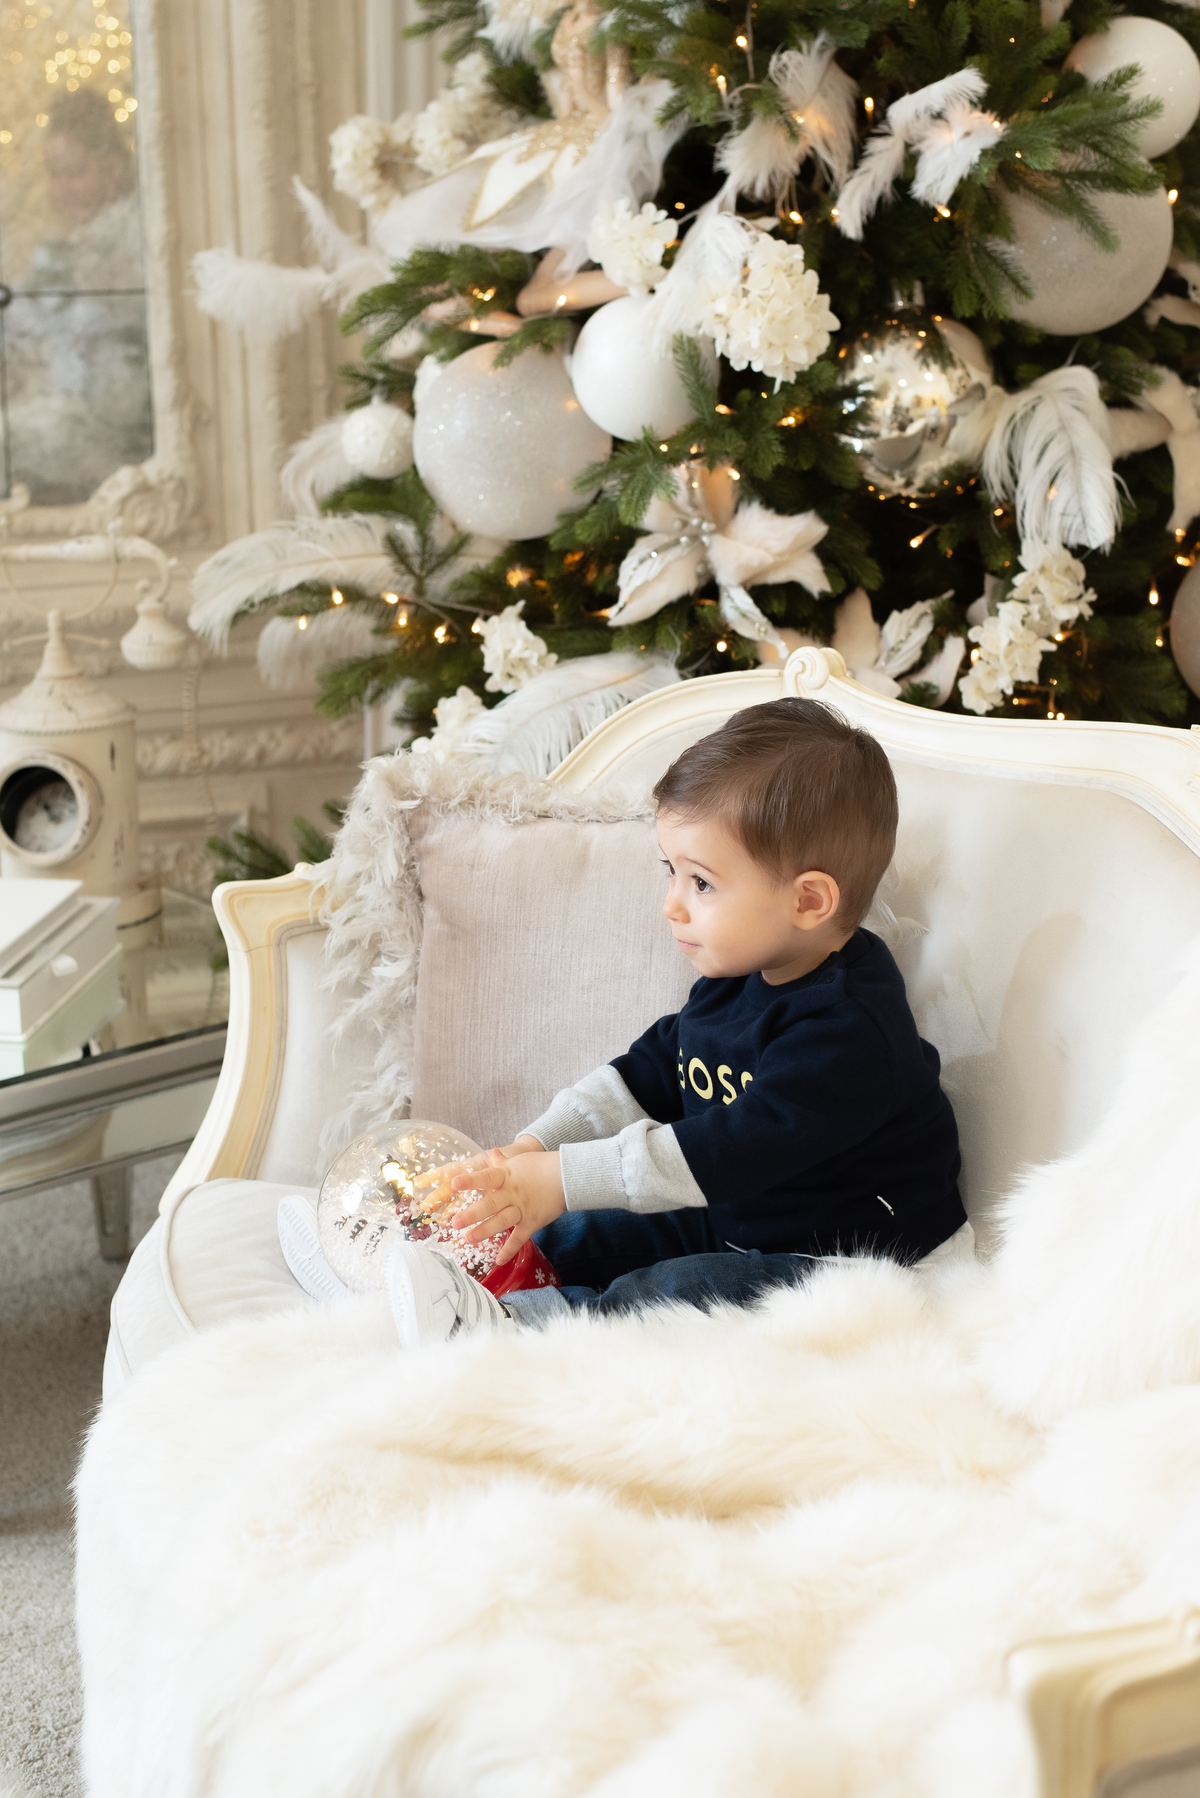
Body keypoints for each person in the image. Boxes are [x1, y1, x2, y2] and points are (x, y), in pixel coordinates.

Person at [373, 695, 966, 1347]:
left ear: (808, 901)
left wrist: (562, 1179)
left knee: (669, 1291)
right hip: (738, 1214)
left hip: (848, 1261)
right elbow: (647, 1073)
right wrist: (536, 1148)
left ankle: (505, 1330)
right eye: (672, 873)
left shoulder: (849, 1032)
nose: (672, 906)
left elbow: (721, 1153)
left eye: (701, 883)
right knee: (575, 1231)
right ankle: (434, 1274)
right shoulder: (737, 976)